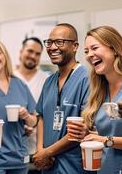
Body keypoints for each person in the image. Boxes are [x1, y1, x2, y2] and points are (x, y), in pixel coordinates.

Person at [67, 26, 122, 173]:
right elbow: (109, 130)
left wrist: (107, 141)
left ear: (115, 49)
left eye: (94, 48)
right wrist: (89, 135)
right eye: (86, 51)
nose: (89, 55)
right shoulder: (99, 90)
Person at [33, 23, 90, 174]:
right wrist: (40, 150)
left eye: (59, 42)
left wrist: (47, 153)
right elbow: (41, 117)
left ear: (75, 46)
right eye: (49, 42)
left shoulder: (87, 79)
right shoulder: (49, 81)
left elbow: (80, 130)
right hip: (48, 166)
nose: (52, 47)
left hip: (73, 166)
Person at [0, 39, 37, 174]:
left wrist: (26, 116)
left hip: (19, 157)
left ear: (5, 56)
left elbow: (34, 121)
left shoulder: (20, 85)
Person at [14, 37, 49, 174]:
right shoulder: (10, 78)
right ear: (21, 51)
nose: (33, 56)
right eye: (30, 51)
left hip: (38, 150)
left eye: (38, 53)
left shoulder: (47, 80)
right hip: (14, 148)